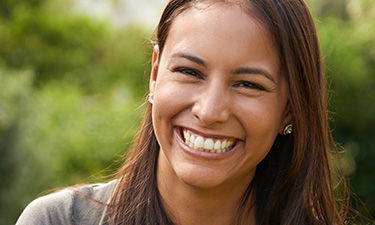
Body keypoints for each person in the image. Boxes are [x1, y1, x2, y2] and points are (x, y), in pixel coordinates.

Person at [16, 0, 353, 224]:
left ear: (290, 109)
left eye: (248, 84)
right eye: (190, 72)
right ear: (155, 73)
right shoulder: (58, 220)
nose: (209, 111)